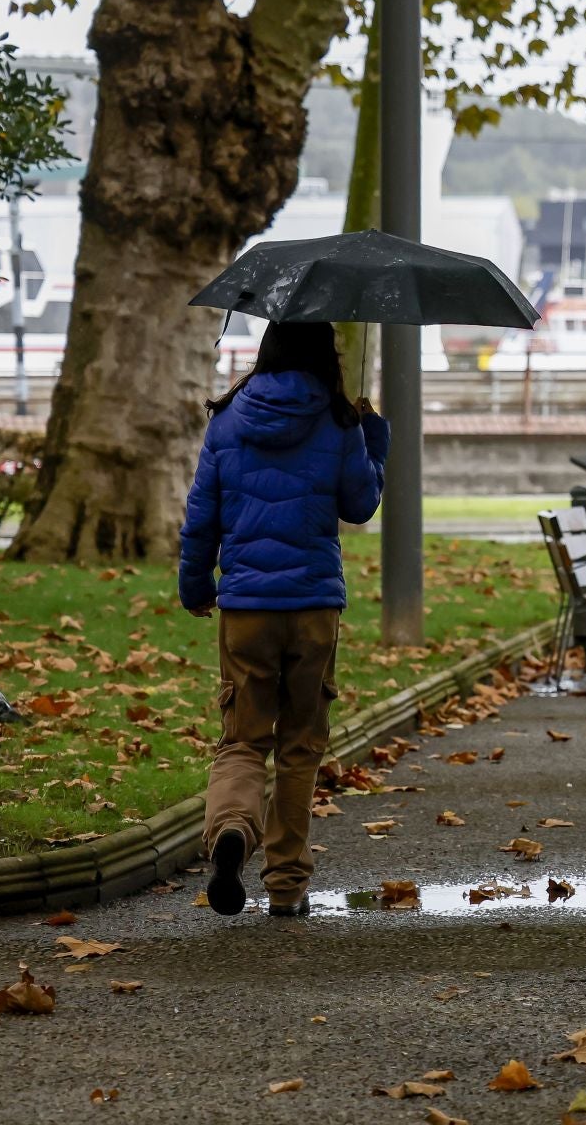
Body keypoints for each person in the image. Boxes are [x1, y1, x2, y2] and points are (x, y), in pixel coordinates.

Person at [179, 321, 389, 917]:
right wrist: (373, 437)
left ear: (266, 351)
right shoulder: (338, 420)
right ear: (326, 355)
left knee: (243, 739)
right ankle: (287, 884)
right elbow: (360, 505)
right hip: (315, 606)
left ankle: (232, 831)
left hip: (246, 607)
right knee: (300, 746)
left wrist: (196, 585)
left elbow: (201, 517)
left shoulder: (229, 419)